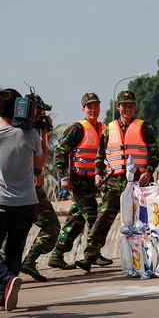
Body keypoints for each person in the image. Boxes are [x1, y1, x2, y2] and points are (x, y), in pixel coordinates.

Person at [0, 88, 49, 312]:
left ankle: (7, 280)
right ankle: (2, 298)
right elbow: (41, 162)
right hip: (27, 204)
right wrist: (43, 132)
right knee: (14, 252)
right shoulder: (31, 135)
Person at [75, 90, 159, 272]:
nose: (127, 108)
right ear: (118, 107)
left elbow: (154, 155)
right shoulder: (109, 129)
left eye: (131, 105)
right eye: (124, 105)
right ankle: (90, 255)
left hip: (138, 182)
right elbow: (100, 156)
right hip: (114, 182)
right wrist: (98, 174)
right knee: (103, 218)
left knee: (143, 221)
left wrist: (149, 172)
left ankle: (147, 258)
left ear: (134, 106)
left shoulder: (145, 128)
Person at [49, 93, 106, 270]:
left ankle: (57, 255)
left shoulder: (103, 128)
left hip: (91, 182)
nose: (93, 110)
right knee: (94, 216)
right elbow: (60, 153)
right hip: (77, 181)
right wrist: (63, 176)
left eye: (96, 107)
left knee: (75, 221)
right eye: (89, 107)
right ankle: (93, 254)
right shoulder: (76, 128)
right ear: (83, 109)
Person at [19, 167, 61, 282]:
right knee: (51, 226)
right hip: (29, 187)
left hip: (5, 188)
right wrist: (37, 172)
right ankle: (30, 260)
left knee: (14, 229)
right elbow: (24, 152)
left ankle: (0, 271)